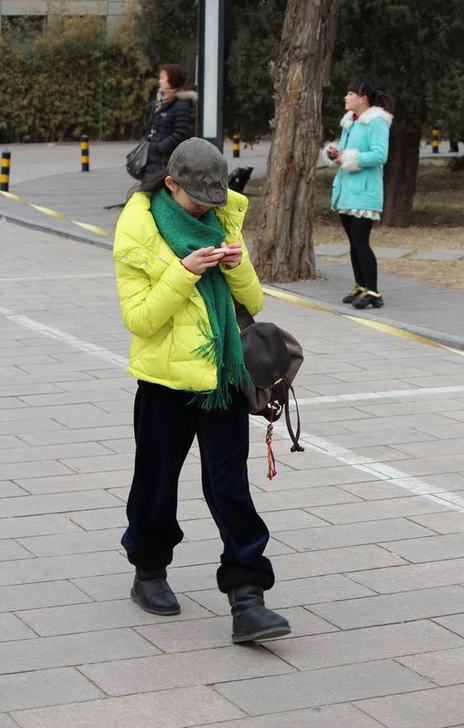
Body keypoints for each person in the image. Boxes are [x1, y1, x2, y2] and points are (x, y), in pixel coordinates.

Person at [113, 137, 291, 644]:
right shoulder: (138, 232)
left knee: (230, 485)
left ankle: (247, 596)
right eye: (199, 199)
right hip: (166, 382)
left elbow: (254, 301)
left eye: (216, 198)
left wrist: (238, 268)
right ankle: (148, 570)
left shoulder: (224, 217)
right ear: (171, 184)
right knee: (155, 480)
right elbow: (140, 319)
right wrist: (183, 273)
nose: (210, 208)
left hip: (224, 379)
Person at [323, 80, 394, 309]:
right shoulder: (350, 122)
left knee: (362, 242)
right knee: (353, 242)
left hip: (365, 192)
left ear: (363, 98)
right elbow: (347, 151)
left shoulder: (376, 122)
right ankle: (361, 285)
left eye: (350, 93)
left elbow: (380, 155)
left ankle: (373, 291)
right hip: (346, 191)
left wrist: (351, 158)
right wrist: (336, 154)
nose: (346, 97)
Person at [144, 63, 197, 178]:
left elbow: (180, 133)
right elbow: (150, 128)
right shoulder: (158, 102)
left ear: (172, 80)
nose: (159, 81)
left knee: (161, 192)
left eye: (163, 78)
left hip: (166, 160)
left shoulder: (181, 104)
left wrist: (159, 147)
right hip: (151, 159)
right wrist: (147, 143)